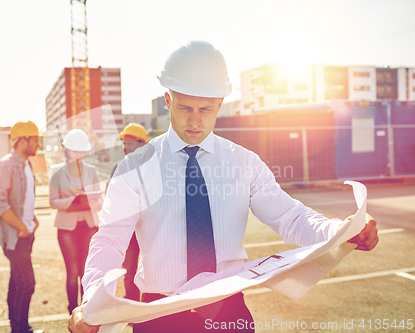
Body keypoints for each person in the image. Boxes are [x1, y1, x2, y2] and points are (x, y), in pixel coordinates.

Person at [69, 41, 379, 333]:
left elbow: (291, 217)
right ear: (168, 100)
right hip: (158, 315)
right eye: (185, 108)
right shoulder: (135, 168)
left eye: (205, 110)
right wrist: (93, 300)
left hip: (228, 312)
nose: (195, 121)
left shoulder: (243, 162)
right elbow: (109, 240)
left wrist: (341, 230)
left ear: (219, 103)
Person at [0, 121, 44, 333]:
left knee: (16, 281)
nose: (38, 145)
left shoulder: (26, 164)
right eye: (35, 141)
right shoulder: (5, 165)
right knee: (27, 283)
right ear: (22, 141)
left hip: (26, 233)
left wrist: (33, 218)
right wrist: (22, 227)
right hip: (15, 236)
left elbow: (22, 199)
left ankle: (16, 324)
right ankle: (21, 329)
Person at [49, 129, 103, 317]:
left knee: (85, 272)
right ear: (67, 150)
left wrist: (92, 201)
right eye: (74, 150)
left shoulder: (91, 171)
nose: (78, 155)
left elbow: (100, 201)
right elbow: (53, 201)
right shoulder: (56, 171)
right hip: (67, 229)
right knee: (72, 272)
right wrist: (72, 202)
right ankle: (73, 311)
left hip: (89, 226)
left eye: (81, 151)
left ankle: (85, 311)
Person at [108, 123, 148, 302]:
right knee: (130, 269)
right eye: (124, 143)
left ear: (141, 145)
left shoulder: (153, 167)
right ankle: (131, 305)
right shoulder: (118, 167)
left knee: (153, 267)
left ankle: (152, 307)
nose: (125, 147)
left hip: (149, 227)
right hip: (128, 229)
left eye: (129, 143)